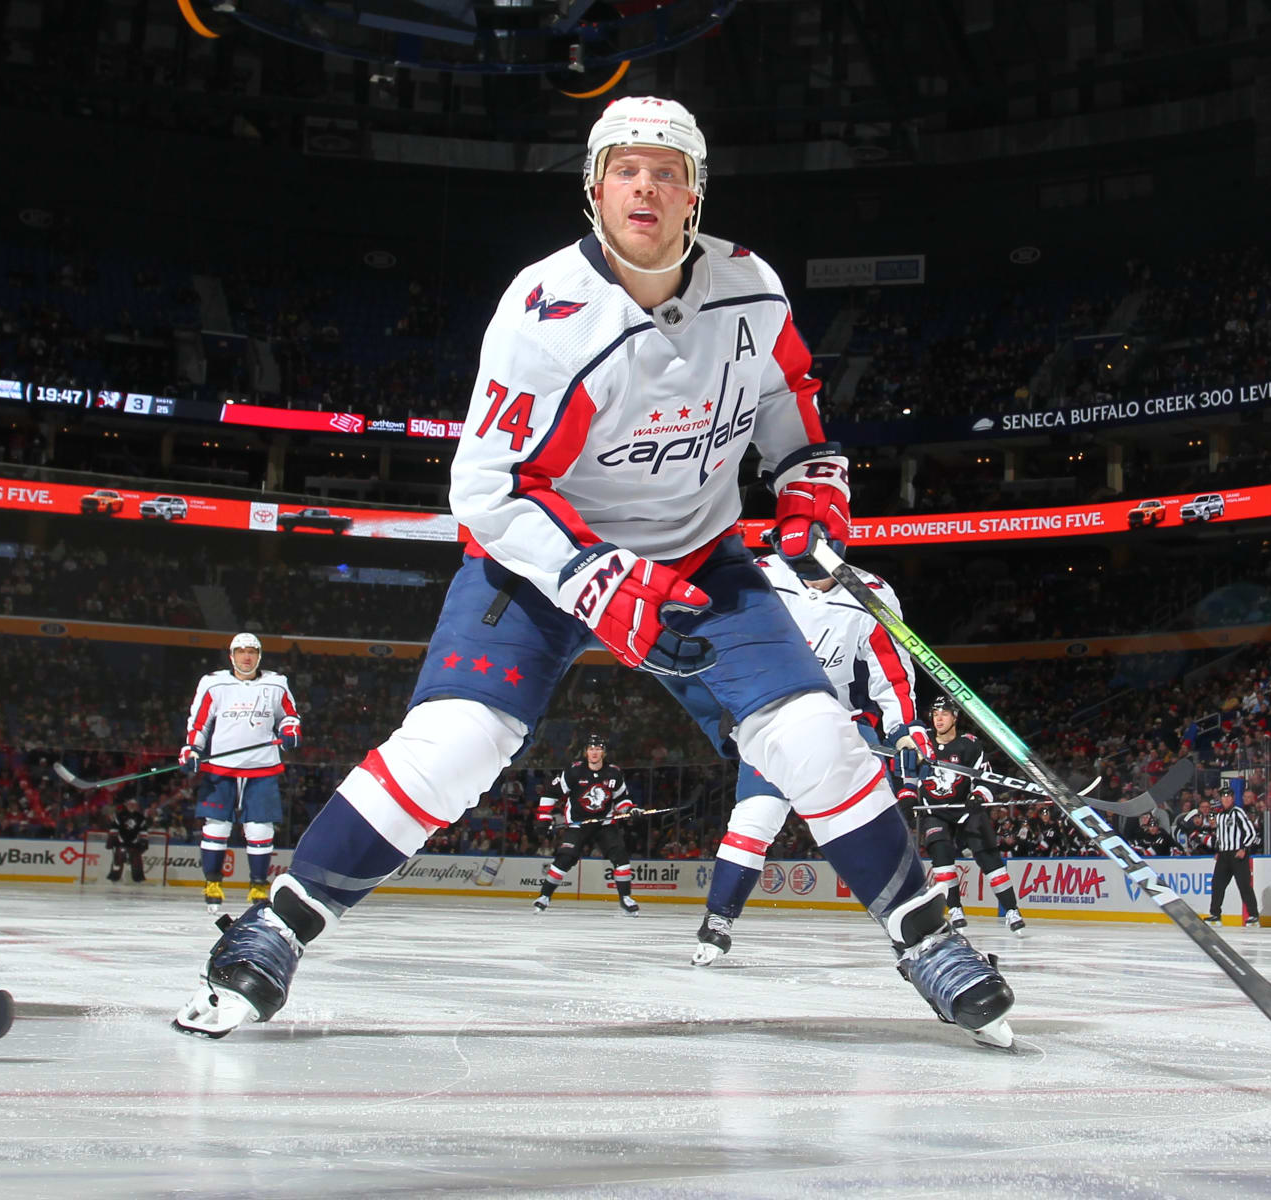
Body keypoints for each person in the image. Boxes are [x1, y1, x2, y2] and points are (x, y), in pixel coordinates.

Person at [173, 96, 1014, 1049]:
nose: (646, 185)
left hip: (698, 553)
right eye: (626, 168)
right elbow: (485, 488)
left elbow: (790, 400)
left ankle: (927, 939)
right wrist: (596, 578)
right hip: (538, 564)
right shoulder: (543, 313)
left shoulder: (752, 286)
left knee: (815, 736)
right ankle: (275, 928)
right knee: (454, 745)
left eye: (667, 168)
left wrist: (809, 482)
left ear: (696, 191)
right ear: (594, 187)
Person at [691, 550, 927, 964]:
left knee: (870, 826)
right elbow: (717, 640)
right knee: (755, 818)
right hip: (773, 716)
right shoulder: (759, 575)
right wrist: (727, 704)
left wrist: (904, 729)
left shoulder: (871, 593)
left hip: (841, 722)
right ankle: (718, 920)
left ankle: (921, 941)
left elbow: (892, 671)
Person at [182, 632, 302, 913]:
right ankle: (213, 883)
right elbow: (198, 722)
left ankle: (258, 886)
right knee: (216, 827)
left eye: (252, 651)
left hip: (262, 766)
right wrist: (191, 749)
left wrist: (290, 731)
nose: (246, 656)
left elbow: (289, 716)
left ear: (259, 656)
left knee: (260, 829)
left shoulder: (276, 683)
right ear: (231, 656)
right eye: (241, 651)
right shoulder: (213, 683)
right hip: (221, 768)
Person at [910, 696, 1026, 936]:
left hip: (966, 808)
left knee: (988, 856)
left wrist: (979, 797)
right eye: (935, 714)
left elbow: (985, 778)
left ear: (955, 717)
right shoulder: (923, 743)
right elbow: (907, 772)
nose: (938, 718)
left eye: (944, 713)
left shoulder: (970, 745)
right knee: (941, 854)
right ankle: (954, 909)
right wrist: (908, 795)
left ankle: (1012, 909)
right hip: (935, 812)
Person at [532, 733, 640, 915]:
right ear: (586, 752)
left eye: (598, 749)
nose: (594, 752)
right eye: (591, 749)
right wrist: (543, 818)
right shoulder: (574, 771)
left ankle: (625, 898)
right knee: (565, 858)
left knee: (620, 856)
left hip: (604, 823)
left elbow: (622, 799)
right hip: (578, 824)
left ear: (603, 752)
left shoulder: (613, 773)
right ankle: (544, 896)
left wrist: (630, 810)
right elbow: (551, 793)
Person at [1203, 786, 1260, 927]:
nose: (1226, 799)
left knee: (1244, 885)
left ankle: (1253, 915)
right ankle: (1215, 915)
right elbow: (1220, 835)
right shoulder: (1220, 815)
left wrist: (1243, 848)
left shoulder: (1238, 812)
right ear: (1221, 799)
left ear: (1233, 798)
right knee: (1217, 884)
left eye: (1229, 797)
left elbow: (1251, 832)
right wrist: (1218, 849)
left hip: (1237, 855)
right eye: (1224, 797)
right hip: (1224, 855)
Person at [105, 796, 151, 883]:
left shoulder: (140, 817)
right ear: (127, 805)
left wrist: (144, 842)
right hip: (121, 842)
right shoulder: (120, 815)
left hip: (134, 843)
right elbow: (114, 827)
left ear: (137, 805)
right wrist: (111, 839)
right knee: (117, 859)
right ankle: (114, 878)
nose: (132, 806)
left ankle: (138, 879)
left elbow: (143, 830)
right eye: (130, 804)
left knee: (137, 860)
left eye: (134, 804)